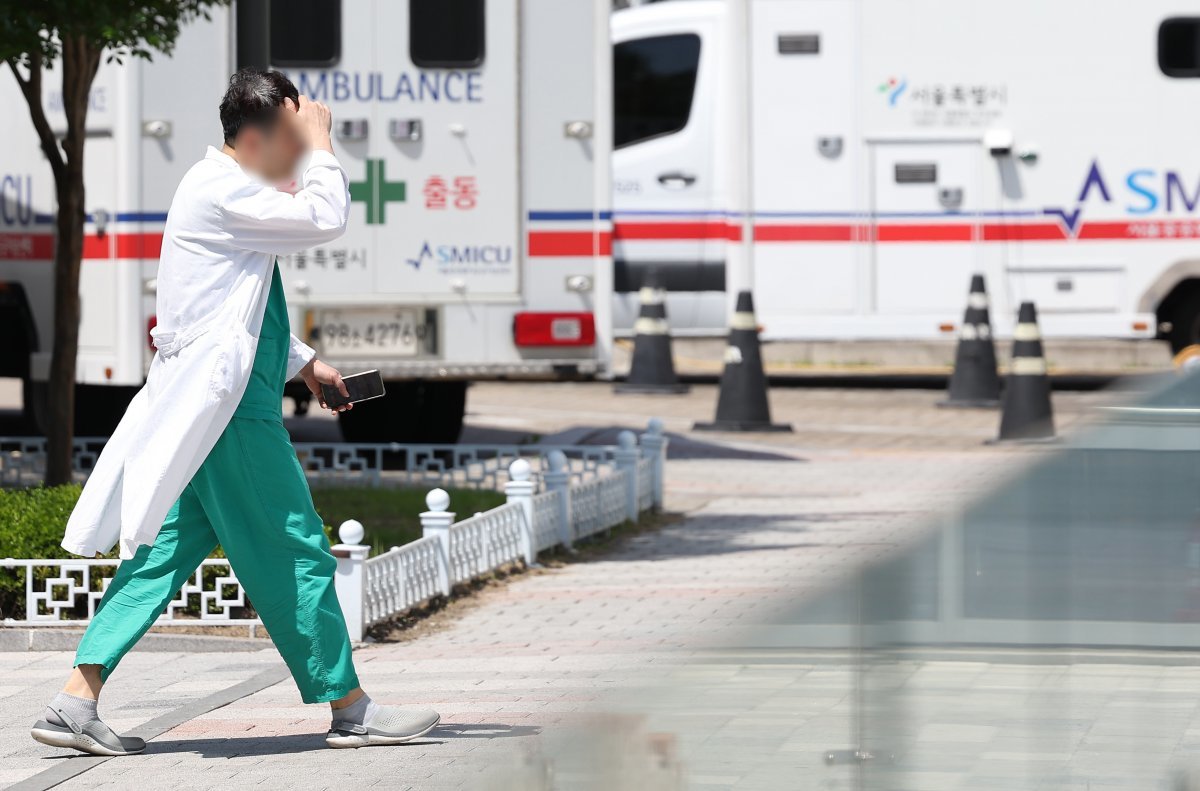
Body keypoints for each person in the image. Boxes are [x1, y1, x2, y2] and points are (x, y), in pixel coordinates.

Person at [30, 69, 439, 756]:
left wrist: (307, 364)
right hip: (230, 415)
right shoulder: (221, 188)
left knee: (160, 557)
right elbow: (325, 217)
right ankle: (351, 707)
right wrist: (324, 147)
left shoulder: (224, 188)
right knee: (299, 549)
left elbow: (236, 307)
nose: (300, 148)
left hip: (214, 405)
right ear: (255, 137)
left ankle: (76, 700)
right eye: (290, 135)